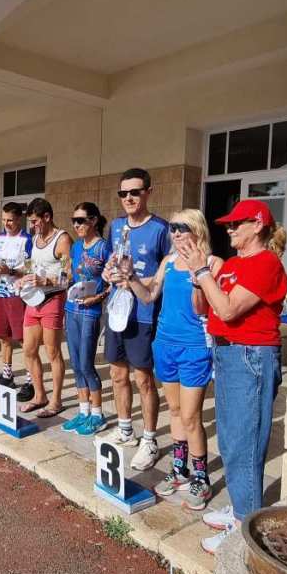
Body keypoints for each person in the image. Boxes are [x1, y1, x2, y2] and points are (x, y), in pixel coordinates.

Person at [181, 199, 287, 555]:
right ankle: (242, 510)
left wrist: (203, 271)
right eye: (227, 224)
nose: (229, 229)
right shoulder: (232, 265)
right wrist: (198, 277)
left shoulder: (266, 263)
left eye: (236, 224)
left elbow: (227, 310)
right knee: (229, 440)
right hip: (227, 354)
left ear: (257, 225)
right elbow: (203, 308)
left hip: (250, 356)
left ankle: (245, 528)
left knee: (245, 444)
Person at [124, 210, 214, 510]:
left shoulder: (212, 263)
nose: (174, 233)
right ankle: (179, 470)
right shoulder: (168, 261)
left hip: (194, 348)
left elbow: (205, 309)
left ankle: (201, 477)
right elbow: (149, 295)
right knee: (174, 411)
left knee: (191, 416)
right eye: (172, 228)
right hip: (164, 344)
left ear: (197, 230)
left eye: (181, 227)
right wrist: (131, 276)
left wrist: (199, 276)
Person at [102, 168, 169, 471]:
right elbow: (112, 260)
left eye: (135, 192)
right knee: (117, 374)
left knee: (143, 379)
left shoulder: (161, 229)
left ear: (148, 192)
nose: (128, 198)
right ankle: (125, 429)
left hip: (143, 313)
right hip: (118, 310)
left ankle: (150, 440)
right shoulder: (117, 226)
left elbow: (164, 275)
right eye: (123, 193)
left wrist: (136, 281)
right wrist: (108, 272)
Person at [19, 198, 71, 418]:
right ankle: (39, 395)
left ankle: (56, 401)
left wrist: (46, 281)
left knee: (53, 352)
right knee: (29, 350)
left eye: (35, 221)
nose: (32, 226)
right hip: (33, 300)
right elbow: (32, 267)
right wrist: (22, 278)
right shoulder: (35, 238)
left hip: (53, 299)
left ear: (47, 217)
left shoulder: (62, 239)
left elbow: (68, 276)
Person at [62, 202, 110, 436]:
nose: (76, 225)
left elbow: (114, 282)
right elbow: (71, 275)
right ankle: (83, 411)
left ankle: (97, 414)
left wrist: (98, 297)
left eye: (80, 220)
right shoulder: (76, 246)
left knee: (86, 364)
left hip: (90, 312)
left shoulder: (103, 248)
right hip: (72, 308)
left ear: (93, 220)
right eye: (74, 221)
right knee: (74, 362)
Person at [0, 203, 33, 392]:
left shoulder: (27, 239)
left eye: (10, 220)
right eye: (4, 219)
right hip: (1, 292)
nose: (6, 223)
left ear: (19, 219)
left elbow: (31, 269)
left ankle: (31, 380)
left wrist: (11, 271)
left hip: (18, 293)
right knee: (2, 335)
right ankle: (7, 376)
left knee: (23, 338)